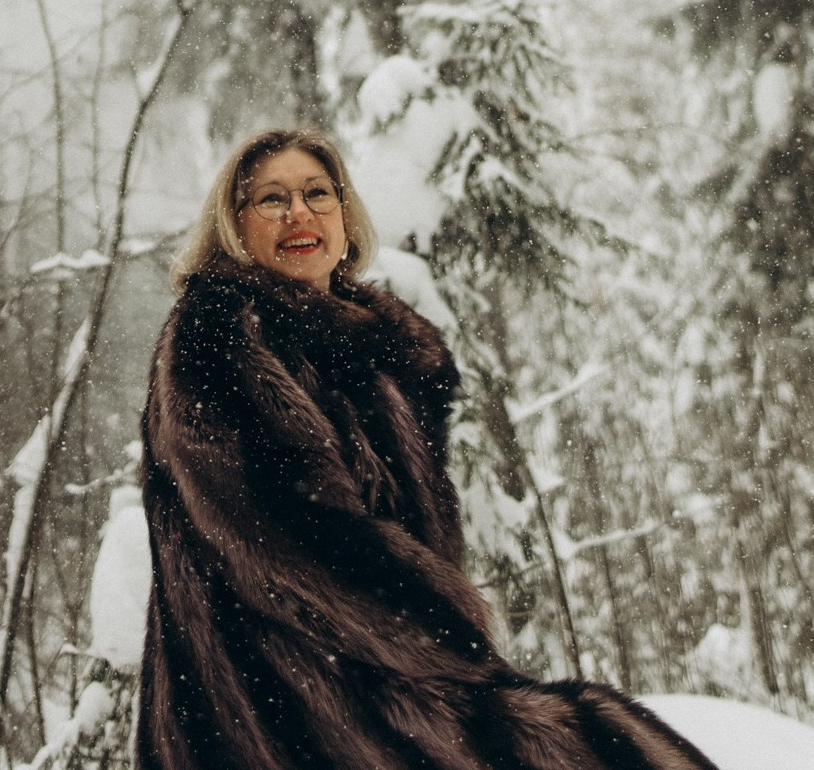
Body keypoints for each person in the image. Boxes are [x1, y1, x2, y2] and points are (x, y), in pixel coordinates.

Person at [137, 126, 718, 770]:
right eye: (271, 200)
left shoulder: (376, 356)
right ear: (235, 226)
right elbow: (285, 542)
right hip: (275, 706)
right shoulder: (217, 333)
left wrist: (447, 655)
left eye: (316, 193)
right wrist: (450, 644)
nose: (299, 213)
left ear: (344, 217)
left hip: (376, 681)